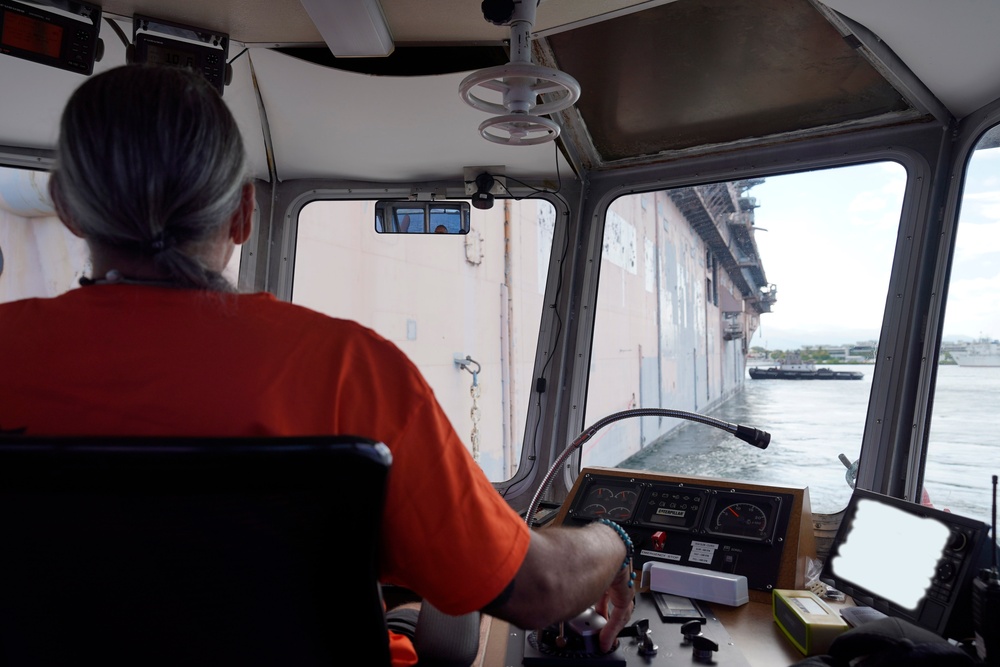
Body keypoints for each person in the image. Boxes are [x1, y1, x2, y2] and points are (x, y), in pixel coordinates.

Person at [0, 64, 634, 665]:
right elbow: (535, 591)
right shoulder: (349, 370)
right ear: (244, 213)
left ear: (66, 204)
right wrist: (614, 539)